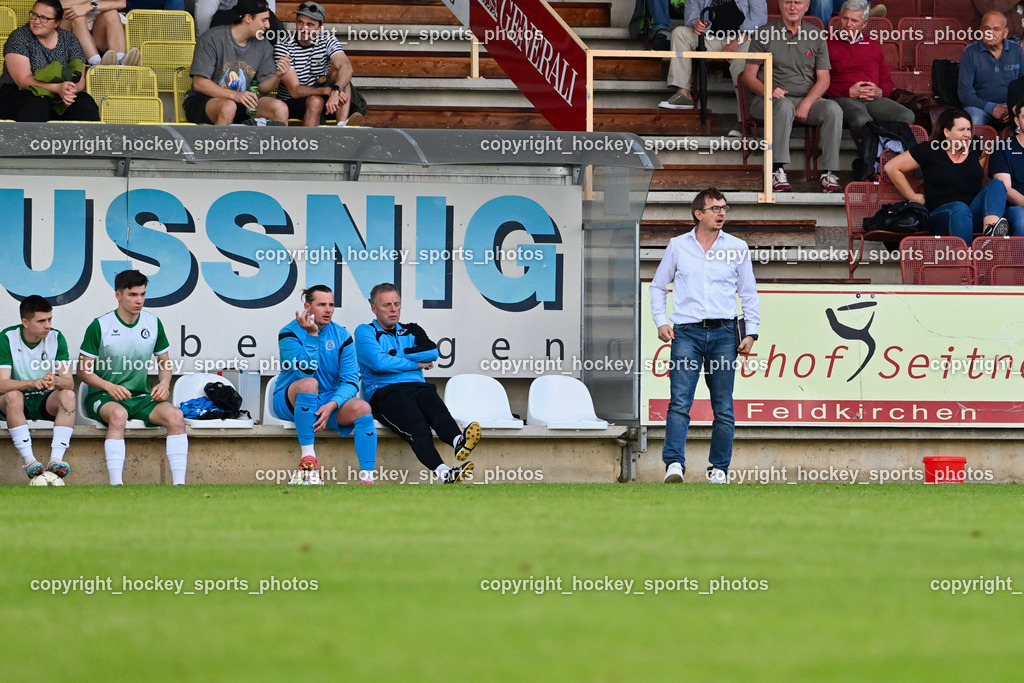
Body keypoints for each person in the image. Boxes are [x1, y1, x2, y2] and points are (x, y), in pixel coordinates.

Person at [650, 187, 759, 484]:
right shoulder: (677, 245)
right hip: (686, 333)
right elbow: (658, 286)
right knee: (679, 402)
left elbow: (749, 293)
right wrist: (661, 321)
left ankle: (719, 469)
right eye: (715, 208)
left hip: (725, 333)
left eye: (724, 208)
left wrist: (752, 333)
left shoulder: (737, 246)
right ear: (699, 214)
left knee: (723, 405)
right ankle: (674, 464)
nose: (722, 212)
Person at [354, 283, 481, 484]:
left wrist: (393, 357)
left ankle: (459, 442)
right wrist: (415, 363)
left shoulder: (411, 329)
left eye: (396, 304)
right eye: (386, 305)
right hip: (385, 392)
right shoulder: (365, 332)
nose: (393, 309)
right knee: (418, 426)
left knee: (437, 410)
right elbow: (378, 362)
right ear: (373, 308)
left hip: (418, 387)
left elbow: (432, 352)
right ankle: (444, 473)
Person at [78, 270, 189, 486]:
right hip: (102, 396)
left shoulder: (153, 323)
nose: (139, 301)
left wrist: (165, 383)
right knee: (118, 415)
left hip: (140, 397)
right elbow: (83, 371)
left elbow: (165, 364)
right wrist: (108, 386)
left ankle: (179, 486)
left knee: (176, 416)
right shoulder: (100, 325)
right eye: (132, 295)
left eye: (142, 294)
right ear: (118, 295)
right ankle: (116, 485)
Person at [274, 285, 377, 484]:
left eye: (331, 305)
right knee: (309, 383)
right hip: (291, 400)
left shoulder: (342, 336)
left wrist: (332, 405)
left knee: (363, 407)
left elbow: (350, 381)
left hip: (326, 403)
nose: (328, 309)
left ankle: (368, 480)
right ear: (307, 306)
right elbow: (304, 371)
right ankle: (309, 460)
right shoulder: (288, 333)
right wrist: (312, 335)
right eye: (322, 304)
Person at [743, 0, 843, 193]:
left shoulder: (816, 35)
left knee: (833, 109)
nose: (792, 7)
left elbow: (823, 79)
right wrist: (769, 91)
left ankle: (828, 173)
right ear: (780, 5)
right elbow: (748, 75)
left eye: (798, 2)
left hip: (803, 99)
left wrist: (807, 103)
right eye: (788, 2)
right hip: (766, 100)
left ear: (807, 6)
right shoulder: (764, 33)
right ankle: (777, 170)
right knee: (783, 105)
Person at [884, 108, 1009, 243]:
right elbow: (892, 167)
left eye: (968, 129)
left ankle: (990, 231)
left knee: (997, 184)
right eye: (961, 130)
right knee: (960, 209)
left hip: (973, 212)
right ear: (947, 132)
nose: (967, 134)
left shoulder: (975, 145)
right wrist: (913, 196)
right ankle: (964, 258)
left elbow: (983, 156)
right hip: (941, 214)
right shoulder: (930, 149)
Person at [0, 296, 76, 480]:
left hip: (44, 400)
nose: (47, 325)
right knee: (13, 396)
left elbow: (69, 382)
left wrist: (55, 381)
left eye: (49, 319)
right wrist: (32, 382)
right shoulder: (7, 338)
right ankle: (30, 461)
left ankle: (56, 461)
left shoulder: (57, 337)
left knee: (68, 396)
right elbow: (2, 384)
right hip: (15, 404)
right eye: (41, 321)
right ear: (25, 322)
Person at [183, 0, 289, 125]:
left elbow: (263, 89)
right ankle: (217, 144)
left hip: (242, 101)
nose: (268, 26)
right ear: (248, 18)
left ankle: (273, 145)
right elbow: (199, 84)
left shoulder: (263, 44)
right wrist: (235, 96)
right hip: (204, 101)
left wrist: (278, 76)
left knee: (280, 108)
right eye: (264, 20)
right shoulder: (211, 38)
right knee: (228, 107)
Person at [659, 0, 767, 118]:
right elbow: (691, 17)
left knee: (742, 59)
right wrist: (695, 24)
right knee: (680, 33)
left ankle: (744, 119)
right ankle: (683, 94)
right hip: (711, 39)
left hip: (742, 39)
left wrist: (739, 40)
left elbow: (759, 17)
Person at [826, 0, 914, 145]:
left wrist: (880, 91)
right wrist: (847, 91)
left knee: (906, 115)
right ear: (839, 17)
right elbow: (821, 82)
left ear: (864, 24)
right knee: (862, 119)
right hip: (842, 98)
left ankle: (884, 153)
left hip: (873, 99)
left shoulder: (873, 44)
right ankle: (868, 160)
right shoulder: (827, 43)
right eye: (845, 18)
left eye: (854, 20)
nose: (848, 24)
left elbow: (887, 81)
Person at [0, 0, 100, 122]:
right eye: (34, 15)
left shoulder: (70, 40)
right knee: (37, 104)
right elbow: (23, 80)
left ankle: (85, 141)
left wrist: (69, 91)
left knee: (85, 104)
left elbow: (80, 78)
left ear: (57, 23)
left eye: (44, 18)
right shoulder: (19, 37)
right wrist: (57, 88)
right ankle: (29, 141)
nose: (36, 21)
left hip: (58, 94)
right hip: (20, 92)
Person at [274, 1, 361, 126]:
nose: (304, 29)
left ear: (320, 28)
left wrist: (335, 90)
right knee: (316, 101)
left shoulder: (327, 39)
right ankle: (308, 143)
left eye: (310, 24)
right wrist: (326, 90)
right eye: (300, 23)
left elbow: (346, 67)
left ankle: (341, 125)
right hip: (291, 101)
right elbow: (295, 91)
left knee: (340, 75)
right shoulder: (283, 46)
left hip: (321, 93)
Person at [958, 12, 1024, 127]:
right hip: (981, 107)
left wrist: (1015, 106)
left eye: (996, 29)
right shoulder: (970, 52)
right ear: (981, 31)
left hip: (1013, 105)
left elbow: (1023, 84)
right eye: (987, 29)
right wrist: (991, 108)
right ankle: (976, 146)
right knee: (974, 118)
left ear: (1005, 32)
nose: (990, 33)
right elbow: (964, 93)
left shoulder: (1017, 50)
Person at [60, 0, 140, 66]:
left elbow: (121, 3)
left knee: (111, 13)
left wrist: (89, 6)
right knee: (77, 17)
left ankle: (120, 62)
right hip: (68, 36)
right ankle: (97, 65)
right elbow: (59, 4)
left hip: (97, 36)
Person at [988, 102, 1024, 235]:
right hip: (1016, 208)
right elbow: (1005, 189)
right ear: (1017, 121)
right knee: (1022, 220)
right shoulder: (1003, 148)